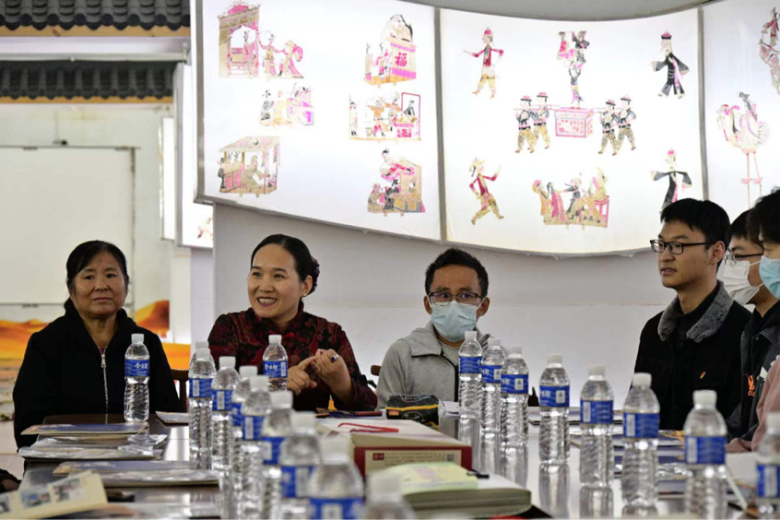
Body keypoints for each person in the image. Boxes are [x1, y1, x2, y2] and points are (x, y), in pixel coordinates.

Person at [13, 241, 180, 448]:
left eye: (110, 275)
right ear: (71, 289)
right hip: (65, 459)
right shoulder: (45, 345)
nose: (101, 285)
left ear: (126, 285)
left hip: (136, 456)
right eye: (89, 277)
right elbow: (28, 427)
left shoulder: (147, 344)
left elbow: (169, 417)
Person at [207, 234, 376, 412]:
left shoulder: (328, 334)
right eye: (257, 274)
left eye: (278, 276)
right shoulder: (231, 328)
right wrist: (274, 385)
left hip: (311, 431)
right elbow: (207, 398)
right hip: (247, 430)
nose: (264, 287)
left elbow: (370, 406)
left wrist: (344, 386)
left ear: (305, 285)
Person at [634, 199, 750, 430]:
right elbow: (636, 411)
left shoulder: (743, 331)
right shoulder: (654, 331)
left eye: (678, 245)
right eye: (661, 244)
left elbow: (741, 429)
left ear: (716, 252)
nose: (665, 256)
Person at [377, 249, 537, 408]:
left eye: (465, 296)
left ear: (483, 306)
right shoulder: (403, 354)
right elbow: (385, 418)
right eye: (443, 295)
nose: (453, 304)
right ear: (428, 304)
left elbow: (513, 415)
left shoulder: (500, 359)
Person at [727, 190, 780, 451]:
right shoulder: (750, 330)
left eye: (768, 249)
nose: (729, 267)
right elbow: (751, 420)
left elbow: (766, 440)